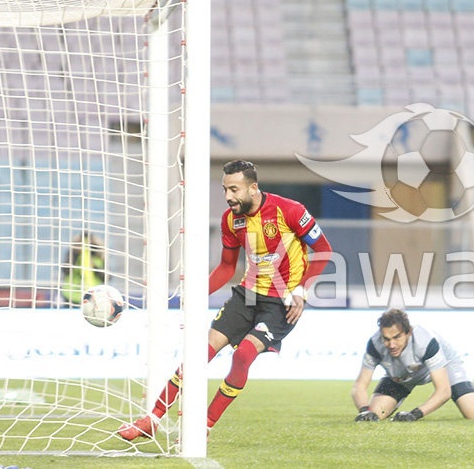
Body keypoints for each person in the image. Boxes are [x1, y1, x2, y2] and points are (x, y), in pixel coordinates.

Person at [119, 160, 333, 440]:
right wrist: (194, 296)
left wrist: (301, 290)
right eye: (225, 189)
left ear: (253, 188)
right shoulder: (231, 220)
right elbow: (226, 267)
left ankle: (204, 425)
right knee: (198, 355)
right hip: (246, 295)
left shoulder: (289, 210)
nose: (228, 196)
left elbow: (323, 250)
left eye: (234, 189)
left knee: (243, 354)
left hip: (282, 303)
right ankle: (152, 419)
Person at [351, 308, 474, 422]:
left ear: (408, 332)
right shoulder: (375, 344)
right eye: (386, 339)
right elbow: (360, 385)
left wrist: (414, 414)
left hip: (446, 365)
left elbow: (444, 391)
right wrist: (364, 410)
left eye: (397, 337)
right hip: (402, 375)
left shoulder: (425, 342)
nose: (391, 344)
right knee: (374, 415)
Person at [60, 231, 105, 305]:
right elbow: (65, 270)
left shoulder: (98, 258)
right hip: (71, 296)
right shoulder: (72, 255)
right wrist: (75, 254)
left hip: (92, 296)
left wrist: (95, 268)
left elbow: (106, 277)